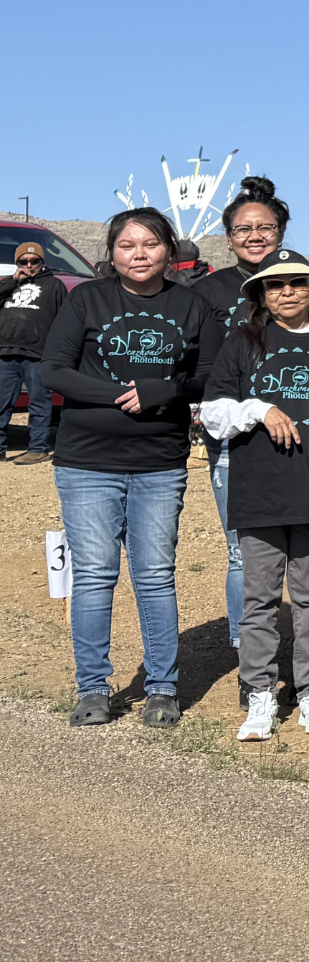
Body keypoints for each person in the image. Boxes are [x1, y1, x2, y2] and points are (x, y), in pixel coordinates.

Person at [41, 208, 222, 729]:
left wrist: (163, 391)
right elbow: (54, 369)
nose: (138, 254)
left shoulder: (192, 305)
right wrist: (123, 396)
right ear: (112, 252)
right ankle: (93, 687)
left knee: (154, 576)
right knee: (95, 576)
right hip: (86, 462)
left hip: (158, 463)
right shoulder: (86, 299)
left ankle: (162, 687)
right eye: (127, 245)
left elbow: (210, 377)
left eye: (149, 244)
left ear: (169, 249)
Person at [192, 176, 309, 660]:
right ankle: (253, 659)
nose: (255, 235)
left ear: (281, 231)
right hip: (236, 434)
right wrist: (239, 406)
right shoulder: (210, 291)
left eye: (266, 227)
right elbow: (201, 365)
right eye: (243, 228)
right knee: (246, 553)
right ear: (229, 237)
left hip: (307, 444)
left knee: (308, 562)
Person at [200, 249, 309, 741]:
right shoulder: (244, 340)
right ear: (261, 295)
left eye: (298, 283)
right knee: (260, 597)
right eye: (276, 285)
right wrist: (258, 408)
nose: (287, 292)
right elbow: (211, 410)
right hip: (259, 488)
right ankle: (260, 692)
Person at [1, 239, 68, 463]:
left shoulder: (54, 285)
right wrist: (12, 281)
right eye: (24, 261)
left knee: (39, 402)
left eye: (34, 261)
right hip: (6, 353)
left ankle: (37, 448)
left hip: (38, 354)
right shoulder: (8, 285)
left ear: (42, 262)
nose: (29, 265)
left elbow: (65, 320)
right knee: (1, 403)